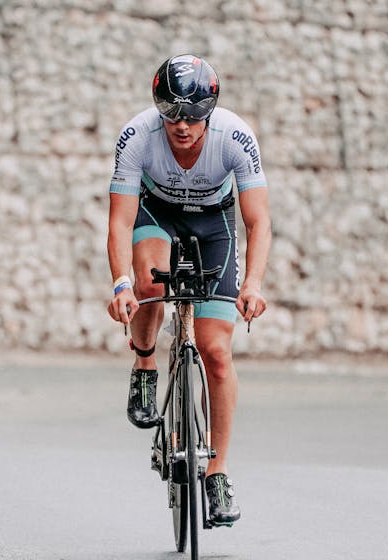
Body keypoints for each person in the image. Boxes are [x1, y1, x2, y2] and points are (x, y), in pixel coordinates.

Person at [106, 54, 271, 526]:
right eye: (172, 114)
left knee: (215, 352)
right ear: (159, 109)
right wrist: (120, 284)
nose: (182, 126)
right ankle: (143, 364)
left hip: (214, 224)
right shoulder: (137, 136)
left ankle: (217, 471)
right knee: (146, 280)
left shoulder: (234, 137)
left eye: (194, 116)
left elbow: (258, 220)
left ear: (210, 112)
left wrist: (254, 283)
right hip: (155, 214)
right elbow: (119, 221)